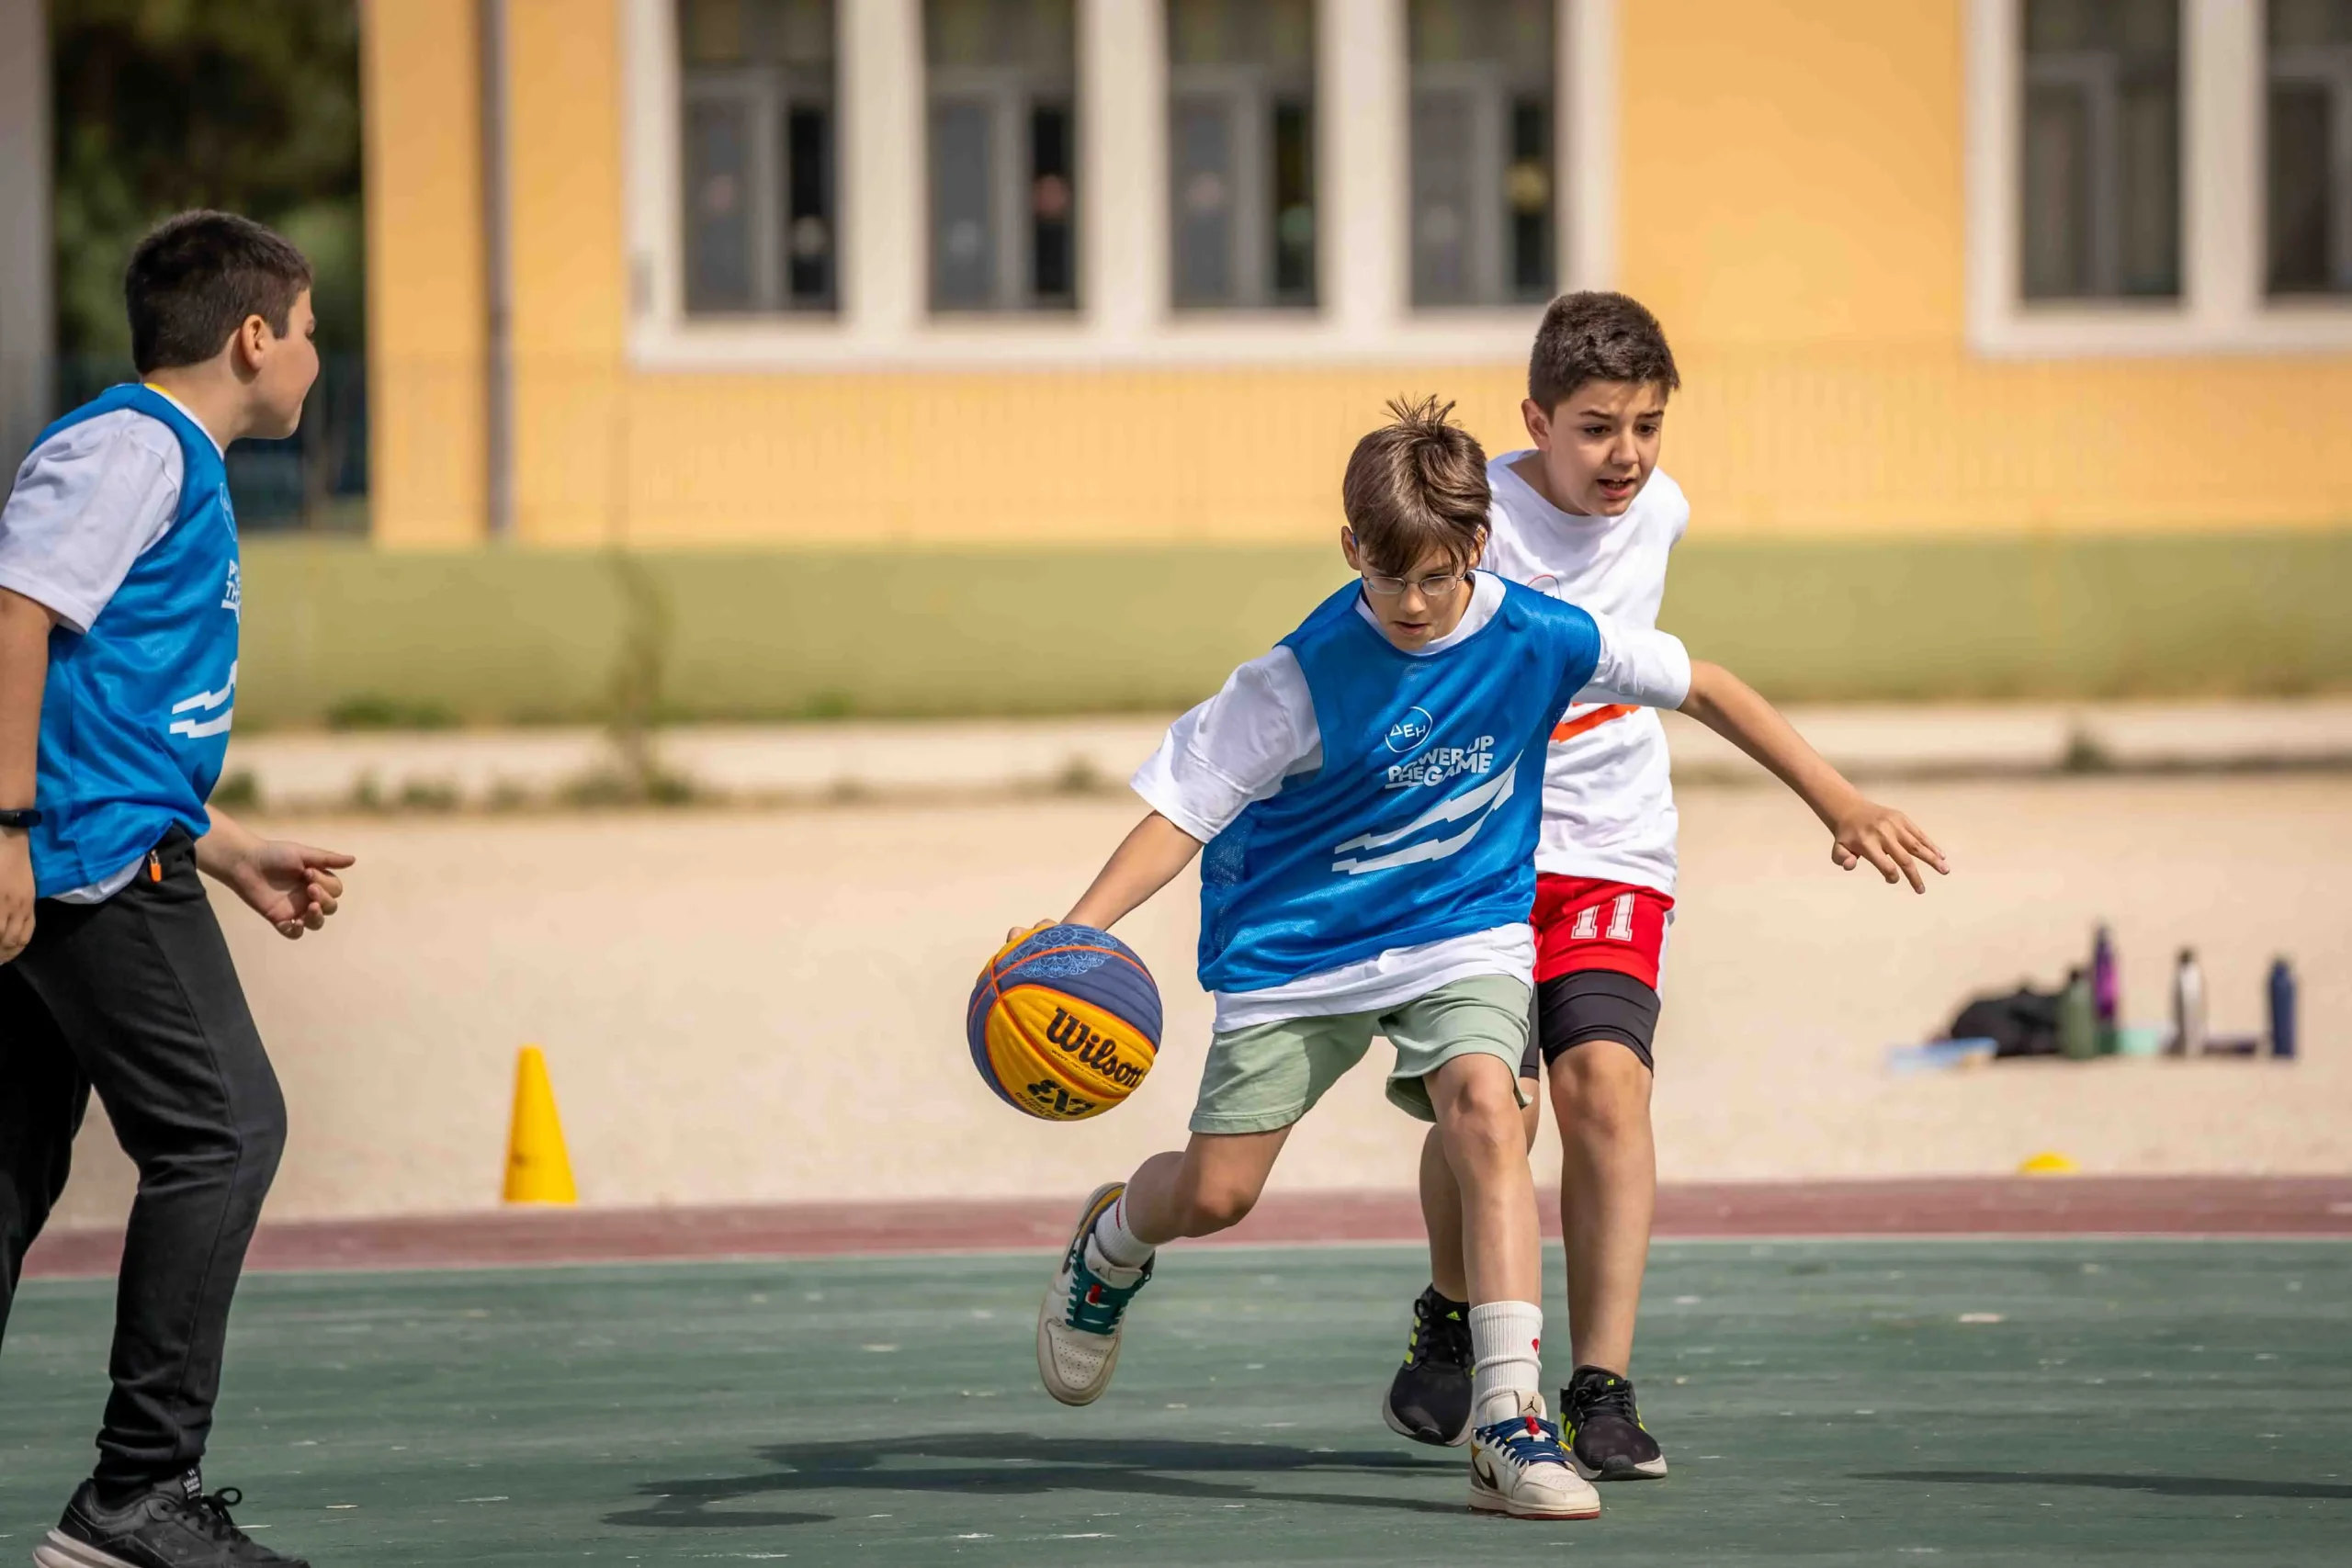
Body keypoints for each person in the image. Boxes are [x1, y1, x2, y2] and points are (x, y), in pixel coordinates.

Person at [1020, 398, 1943, 1521]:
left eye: (1439, 578)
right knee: (1217, 1193)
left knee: (1489, 1108)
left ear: (1477, 551)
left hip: (1462, 927)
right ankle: (1110, 1244)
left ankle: (1510, 1422)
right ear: (1350, 549)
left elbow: (1701, 682)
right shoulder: (1294, 679)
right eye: (1390, 578)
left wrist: (1836, 799)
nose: (1413, 605)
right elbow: (1177, 815)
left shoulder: (1534, 632)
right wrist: (1079, 934)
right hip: (1300, 943)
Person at [0, 210, 352, 1568]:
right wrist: (10, 831)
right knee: (223, 1131)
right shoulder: (135, 446)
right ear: (254, 336)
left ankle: (135, 1500)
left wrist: (222, 839)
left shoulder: (160, 459)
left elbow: (109, 706)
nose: (318, 356)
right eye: (310, 329)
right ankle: (136, 1498)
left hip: (99, 841)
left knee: (8, 1176)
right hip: (80, 867)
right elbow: (15, 616)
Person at [1381, 290, 1713, 1481]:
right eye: (1594, 426)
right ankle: (1450, 1300)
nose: (1625, 453)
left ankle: (1603, 1385)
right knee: (1490, 1105)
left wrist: (1837, 800)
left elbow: (1682, 672)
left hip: (1615, 841)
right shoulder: (1484, 519)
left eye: (1646, 424)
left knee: (1606, 1088)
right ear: (1536, 418)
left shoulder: (1662, 510)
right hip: (1481, 847)